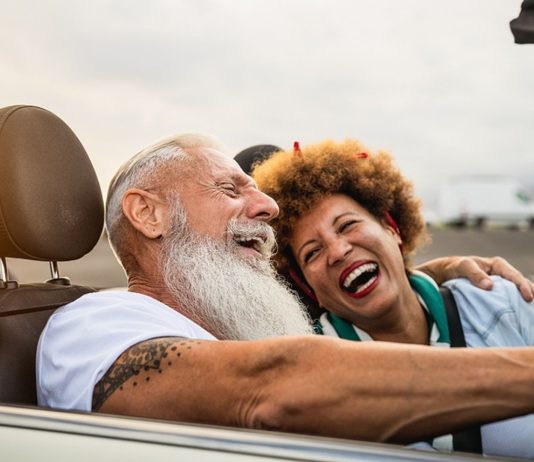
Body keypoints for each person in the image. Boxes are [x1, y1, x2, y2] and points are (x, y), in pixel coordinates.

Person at [37, 133, 534, 447]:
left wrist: (422, 278)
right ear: (149, 214)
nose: (269, 208)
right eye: (232, 189)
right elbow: (271, 388)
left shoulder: (234, 335)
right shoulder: (93, 324)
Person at [252, 138, 534, 457]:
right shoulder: (305, 381)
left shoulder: (503, 302)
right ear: (308, 289)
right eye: (313, 252)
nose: (338, 251)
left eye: (347, 225)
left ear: (392, 229)